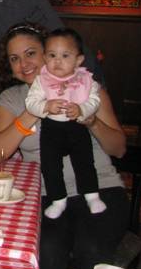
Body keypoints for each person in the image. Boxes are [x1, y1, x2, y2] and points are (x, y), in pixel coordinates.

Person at [0, 22, 128, 269]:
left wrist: (91, 121)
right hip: (47, 194)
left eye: (31, 53)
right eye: (15, 58)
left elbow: (119, 148)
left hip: (100, 187)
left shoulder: (87, 87)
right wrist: (34, 110)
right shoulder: (11, 99)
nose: (24, 64)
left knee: (91, 248)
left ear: (51, 53)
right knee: (47, 251)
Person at [25, 28, 105, 219]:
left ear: (78, 60)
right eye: (52, 55)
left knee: (85, 162)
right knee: (50, 166)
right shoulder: (42, 81)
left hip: (76, 127)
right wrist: (45, 106)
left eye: (65, 55)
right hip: (51, 130)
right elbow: (30, 103)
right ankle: (58, 199)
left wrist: (82, 109)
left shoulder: (86, 80)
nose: (57, 61)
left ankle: (92, 195)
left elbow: (95, 100)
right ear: (45, 57)